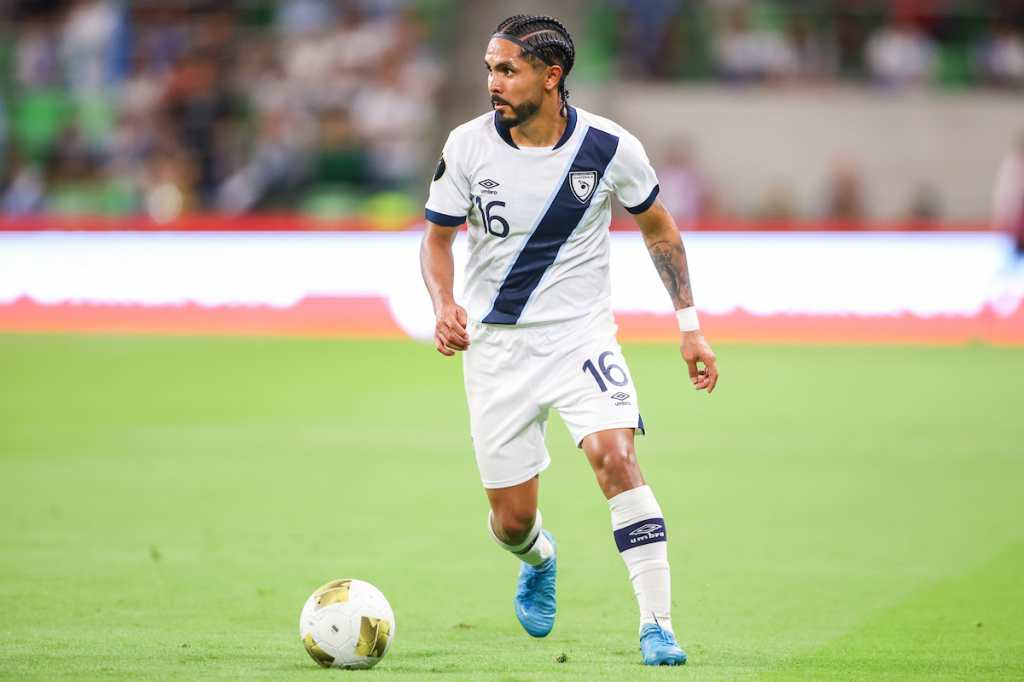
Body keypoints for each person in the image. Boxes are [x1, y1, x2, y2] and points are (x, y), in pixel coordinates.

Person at [419, 14, 719, 667]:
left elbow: (660, 230)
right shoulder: (467, 146)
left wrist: (689, 327)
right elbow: (437, 240)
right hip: (497, 351)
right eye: (489, 69)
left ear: (551, 77)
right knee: (512, 522)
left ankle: (657, 625)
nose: (492, 83)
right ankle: (539, 558)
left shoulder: (610, 148)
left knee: (616, 458)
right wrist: (444, 303)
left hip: (582, 339)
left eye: (507, 70)